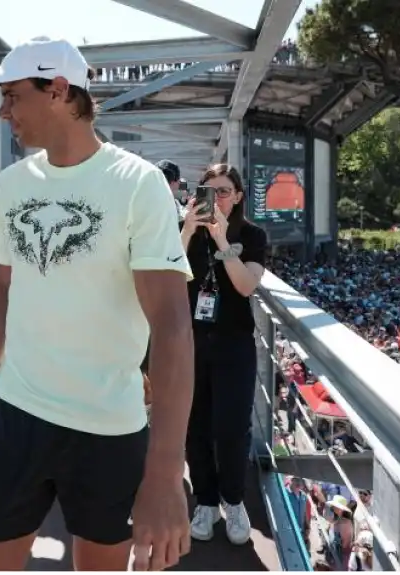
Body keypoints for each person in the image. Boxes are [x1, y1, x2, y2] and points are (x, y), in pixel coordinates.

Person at [0, 36, 195, 572]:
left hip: (109, 430)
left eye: (13, 95)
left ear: (59, 90)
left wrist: (163, 474)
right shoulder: (13, 183)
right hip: (16, 418)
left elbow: (173, 324)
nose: (3, 112)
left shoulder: (139, 184)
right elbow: (2, 290)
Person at [179, 163, 267, 545]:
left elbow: (246, 286)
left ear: (239, 195)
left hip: (234, 343)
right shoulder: (188, 234)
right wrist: (186, 228)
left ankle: (233, 500)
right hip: (192, 342)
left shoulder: (253, 234)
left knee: (231, 430)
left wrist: (221, 241)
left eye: (224, 192)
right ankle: (206, 501)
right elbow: (168, 274)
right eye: (208, 191)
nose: (215, 200)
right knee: (194, 426)